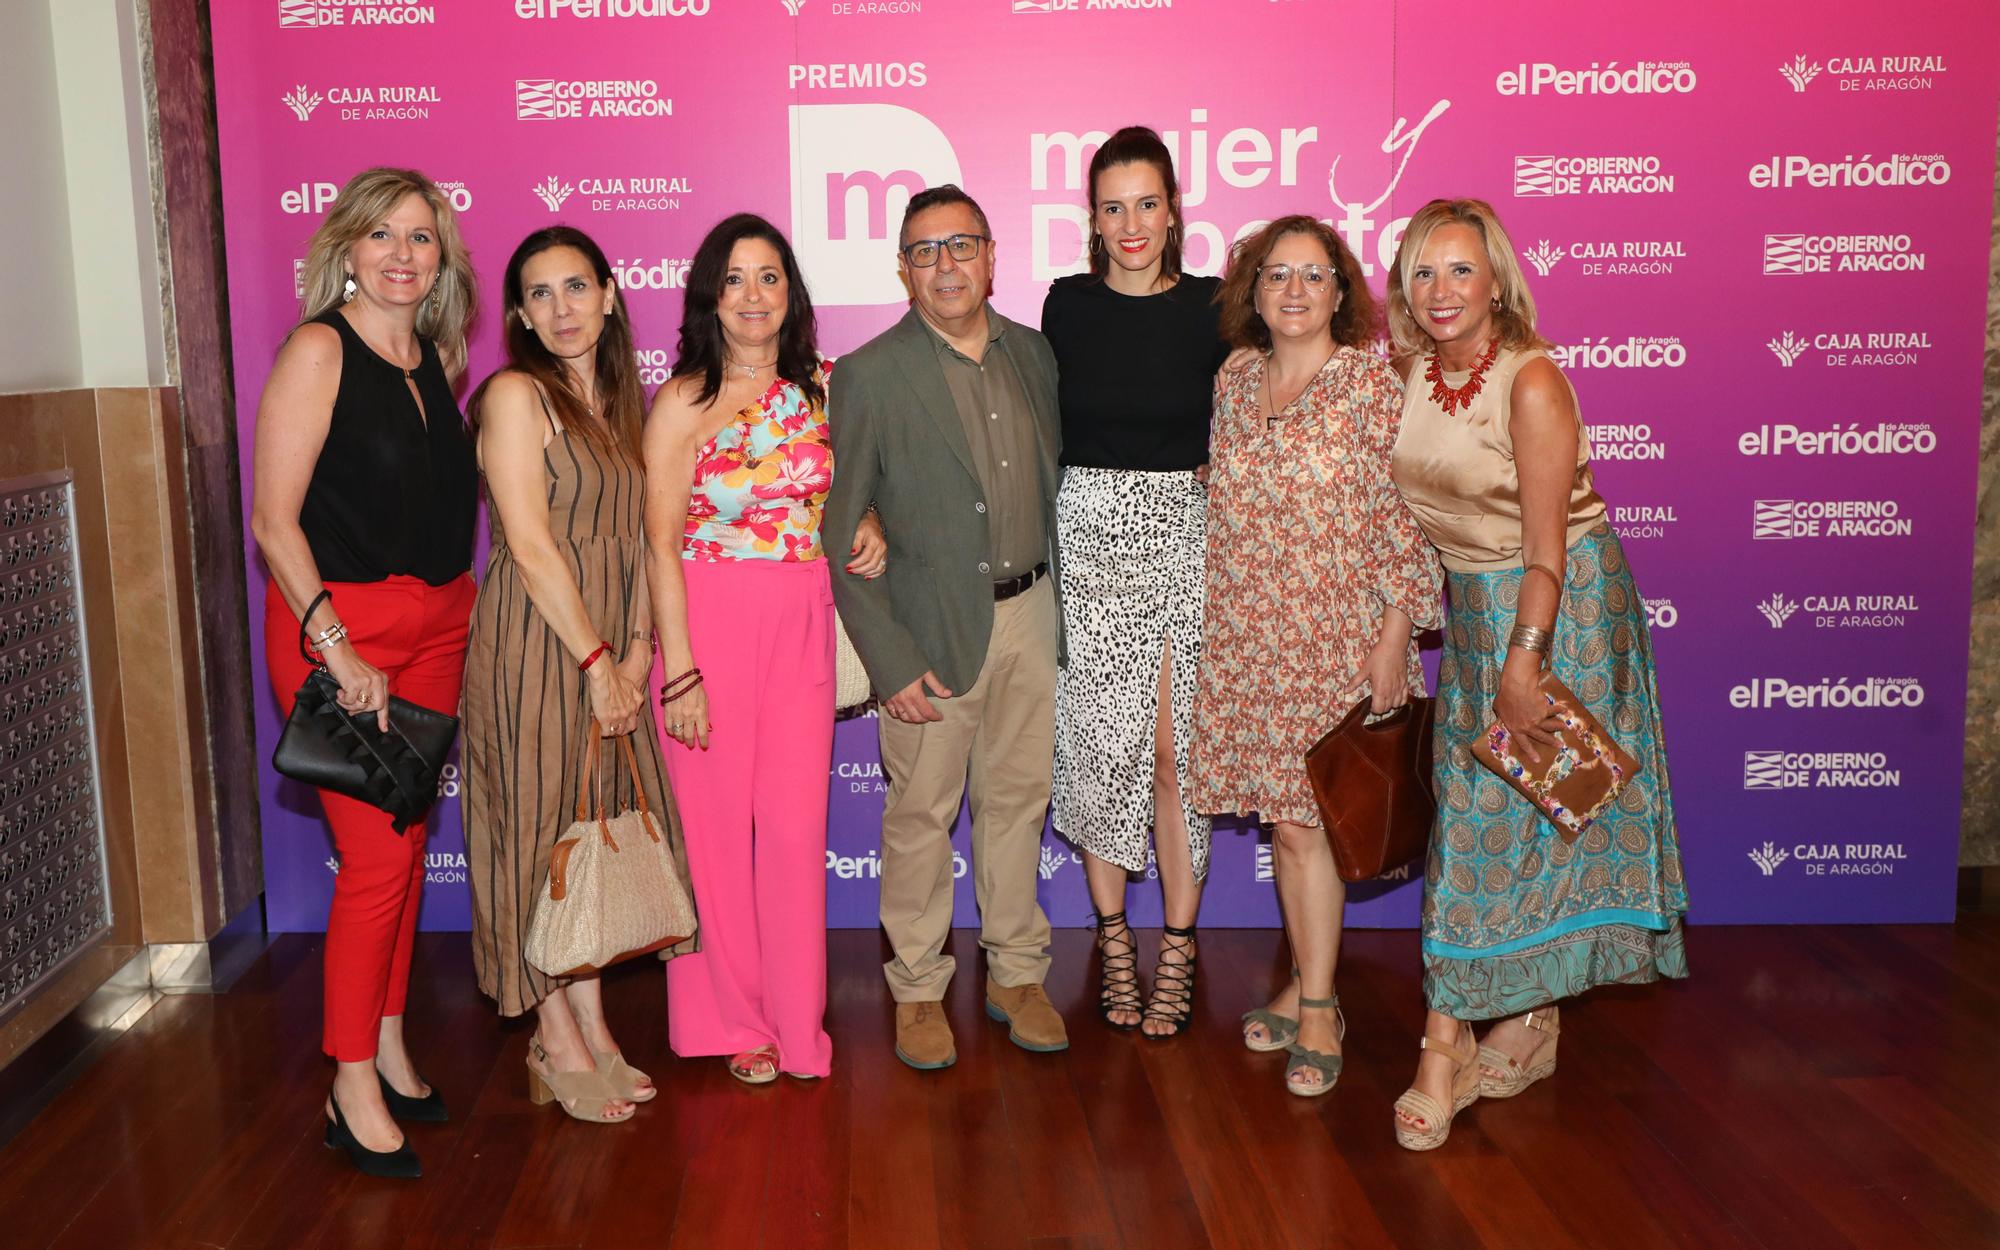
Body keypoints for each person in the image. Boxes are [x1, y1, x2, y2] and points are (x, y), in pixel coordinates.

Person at [1384, 198, 1689, 1149]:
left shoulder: (1532, 381)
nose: (1442, 291)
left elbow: (1549, 551)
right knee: (1490, 820)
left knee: (1534, 822)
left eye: (1461, 270)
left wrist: (1527, 662)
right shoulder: (1411, 374)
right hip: (1473, 618)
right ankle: (1526, 1019)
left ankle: (1446, 1049)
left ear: (1497, 279)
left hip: (1559, 616)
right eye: (1423, 272)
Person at [250, 166, 478, 1178]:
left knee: (409, 839)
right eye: (382, 234)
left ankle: (386, 1039)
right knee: (380, 862)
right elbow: (273, 519)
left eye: (420, 237)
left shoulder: (431, 351)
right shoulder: (318, 348)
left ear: (439, 259)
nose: (402, 251)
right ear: (346, 248)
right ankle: (347, 1082)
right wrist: (337, 649)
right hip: (341, 629)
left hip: (438, 629)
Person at [1189, 215, 1443, 1098]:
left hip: (1337, 638)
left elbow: (1405, 522)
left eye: (1313, 275)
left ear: (1342, 292)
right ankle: (1305, 983)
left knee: (1308, 827)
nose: (1293, 292)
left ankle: (1324, 1008)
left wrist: (1393, 635)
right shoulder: (1232, 380)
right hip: (1249, 641)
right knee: (1287, 826)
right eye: (1275, 276)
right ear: (1251, 293)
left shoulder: (1376, 390)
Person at [824, 184, 1068, 1071]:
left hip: (1033, 615)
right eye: (924, 251)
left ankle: (1016, 972)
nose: (945, 266)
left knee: (1015, 804)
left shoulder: (1037, 356)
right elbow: (839, 528)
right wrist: (888, 660)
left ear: (992, 254)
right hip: (925, 632)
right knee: (922, 815)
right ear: (902, 269)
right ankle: (919, 988)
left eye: (960, 245)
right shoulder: (870, 374)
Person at [460, 226, 694, 1124]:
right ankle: (552, 1039)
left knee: (589, 828)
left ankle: (594, 1026)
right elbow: (525, 541)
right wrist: (596, 656)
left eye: (575, 287)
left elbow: (644, 536)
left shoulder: (625, 403)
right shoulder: (517, 396)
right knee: (536, 831)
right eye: (540, 294)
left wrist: (637, 649)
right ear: (519, 313)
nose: (561, 308)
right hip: (538, 642)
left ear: (608, 293)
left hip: (609, 649)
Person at [643, 213, 883, 1084]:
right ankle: (731, 1023)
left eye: (769, 276)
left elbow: (855, 495)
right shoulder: (683, 400)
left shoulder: (828, 388)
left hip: (804, 618)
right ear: (711, 294)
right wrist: (680, 671)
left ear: (792, 293)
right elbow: (659, 542)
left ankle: (794, 1021)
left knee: (791, 830)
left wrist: (870, 531)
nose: (752, 296)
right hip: (707, 619)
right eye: (735, 278)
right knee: (711, 832)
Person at [1040, 126, 1225, 1038]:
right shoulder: (1066, 306)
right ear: (1093, 218)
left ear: (1174, 207)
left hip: (1188, 543)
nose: (1131, 223)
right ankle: (1114, 939)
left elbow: (1254, 418)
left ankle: (1180, 947)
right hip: (1088, 541)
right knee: (1099, 753)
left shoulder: (1216, 308)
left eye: (1146, 203)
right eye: (1112, 206)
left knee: (1170, 754)